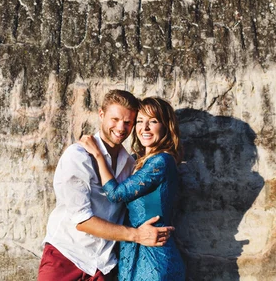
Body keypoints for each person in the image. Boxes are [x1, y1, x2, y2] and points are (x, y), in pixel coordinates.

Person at [38, 90, 174, 281]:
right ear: (101, 114)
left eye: (128, 122)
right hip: (67, 256)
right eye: (115, 119)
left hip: (103, 265)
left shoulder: (129, 164)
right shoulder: (78, 156)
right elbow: (82, 221)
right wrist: (136, 235)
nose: (121, 127)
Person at [80, 97, 186, 281]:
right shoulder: (136, 161)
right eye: (139, 121)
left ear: (166, 125)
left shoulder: (161, 161)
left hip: (153, 256)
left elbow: (115, 194)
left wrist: (98, 154)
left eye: (153, 121)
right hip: (136, 250)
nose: (144, 128)